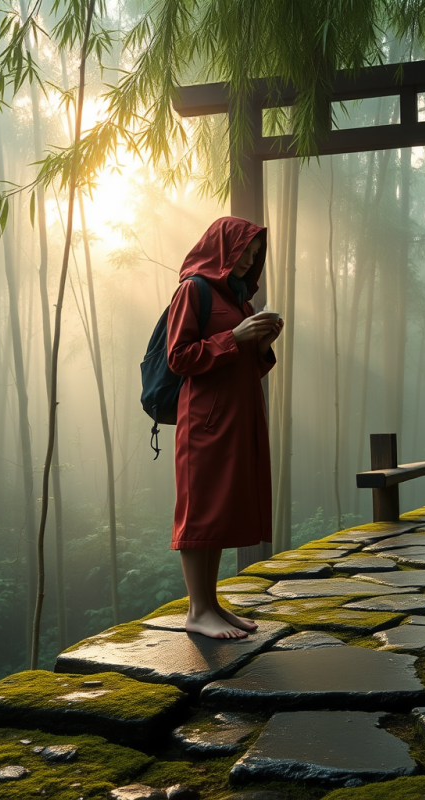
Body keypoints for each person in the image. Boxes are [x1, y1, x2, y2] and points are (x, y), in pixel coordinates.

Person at [167, 216, 283, 639]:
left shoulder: (239, 301)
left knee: (217, 513)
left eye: (254, 256)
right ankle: (197, 611)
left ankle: (211, 605)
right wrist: (235, 335)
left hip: (236, 420)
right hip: (204, 422)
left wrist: (262, 346)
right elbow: (179, 357)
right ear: (222, 248)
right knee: (200, 511)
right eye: (242, 253)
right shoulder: (192, 290)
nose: (248, 262)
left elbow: (242, 368)